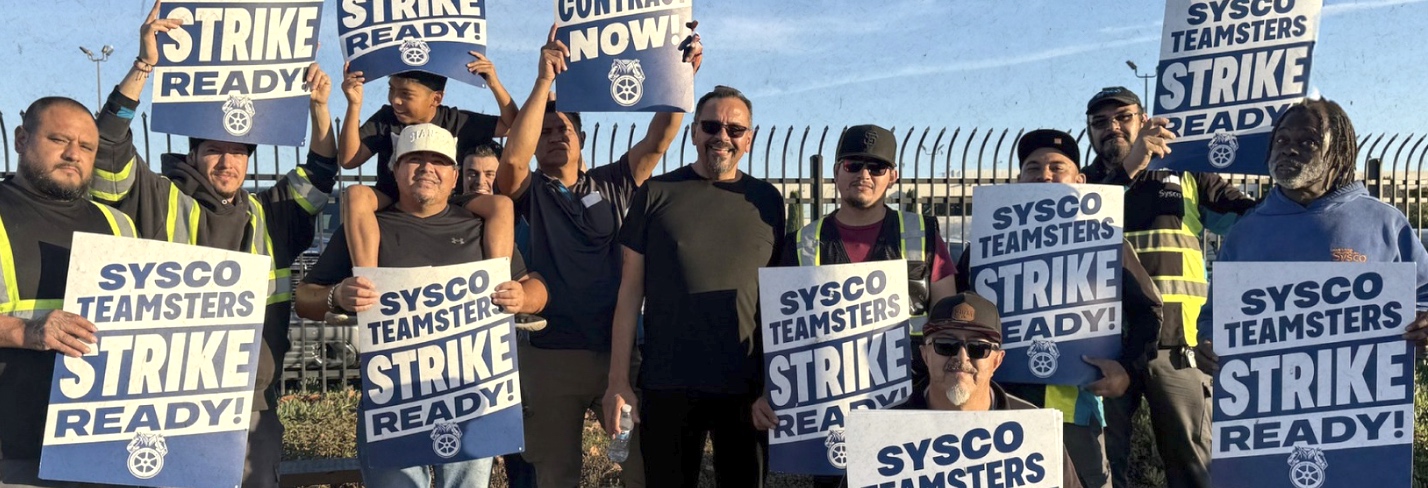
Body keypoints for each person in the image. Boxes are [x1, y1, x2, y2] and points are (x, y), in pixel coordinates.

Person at [86, 7, 340, 487]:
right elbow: (107, 152)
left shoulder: (270, 214)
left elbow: (322, 174)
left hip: (252, 405)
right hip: (167, 402)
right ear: (193, 154)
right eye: (215, 150)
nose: (227, 162)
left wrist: (319, 108)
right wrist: (144, 67)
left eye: (238, 151)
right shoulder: (159, 200)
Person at [492, 29, 700, 488]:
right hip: (552, 355)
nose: (555, 137)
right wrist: (544, 80)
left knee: (641, 470)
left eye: (564, 128)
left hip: (618, 354)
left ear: (582, 137)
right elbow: (512, 164)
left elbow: (659, 139)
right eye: (545, 131)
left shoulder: (614, 182)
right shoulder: (531, 193)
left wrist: (680, 74)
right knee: (555, 475)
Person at [294, 124, 549, 488]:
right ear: (396, 169)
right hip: (392, 402)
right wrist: (336, 295)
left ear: (454, 177)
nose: (427, 168)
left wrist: (523, 298)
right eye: (414, 159)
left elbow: (536, 289)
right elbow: (304, 298)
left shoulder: (480, 227)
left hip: (470, 396)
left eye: (438, 161)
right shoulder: (368, 227)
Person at [748, 123, 958, 488]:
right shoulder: (801, 242)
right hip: (830, 410)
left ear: (892, 176)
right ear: (836, 172)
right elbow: (779, 331)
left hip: (909, 401)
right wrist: (767, 390)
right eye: (853, 165)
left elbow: (948, 321)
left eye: (876, 167)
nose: (864, 174)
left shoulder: (922, 234)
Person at [953, 129, 1163, 488]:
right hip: (996, 406)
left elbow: (1148, 311)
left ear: (1079, 181)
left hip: (1075, 412)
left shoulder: (1106, 239)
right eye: (1033, 168)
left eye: (1056, 167)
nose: (1044, 175)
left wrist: (1128, 370)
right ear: (1020, 181)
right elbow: (958, 310)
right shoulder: (986, 245)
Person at [603, 85, 784, 487]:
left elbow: (778, 301)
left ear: (749, 139)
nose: (723, 137)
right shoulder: (655, 193)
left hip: (746, 388)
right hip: (668, 383)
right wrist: (618, 382)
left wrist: (773, 385)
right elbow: (629, 295)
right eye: (711, 126)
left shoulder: (767, 201)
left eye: (735, 129)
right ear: (694, 132)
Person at [1080, 86, 1258, 488]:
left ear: (1145, 121)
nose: (1112, 127)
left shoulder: (1187, 172)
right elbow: (1076, 228)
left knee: (1193, 466)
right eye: (1099, 122)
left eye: (1123, 117)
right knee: (1101, 466)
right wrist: (1130, 168)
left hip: (1178, 343)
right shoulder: (1083, 184)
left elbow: (1252, 222)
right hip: (1103, 343)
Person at [1195, 98, 1428, 366]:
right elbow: (1217, 316)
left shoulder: (1384, 222)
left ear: (1339, 151)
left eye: (1308, 142)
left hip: (1361, 387)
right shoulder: (1245, 232)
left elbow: (1424, 295)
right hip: (1271, 388)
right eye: (1281, 140)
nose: (1289, 150)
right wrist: (1209, 342)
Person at [0, 97, 139, 488]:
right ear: (21, 139)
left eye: (87, 147)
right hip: (13, 450)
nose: (73, 154)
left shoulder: (119, 226)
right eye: (59, 139)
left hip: (102, 445)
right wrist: (26, 331)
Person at [338, 52, 517, 270]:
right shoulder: (386, 119)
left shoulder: (456, 120)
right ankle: (368, 275)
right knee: (355, 194)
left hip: (449, 199)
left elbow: (512, 126)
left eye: (406, 94)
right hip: (392, 196)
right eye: (391, 89)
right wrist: (354, 105)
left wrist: (494, 83)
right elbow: (348, 159)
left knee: (502, 205)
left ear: (436, 99)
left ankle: (498, 276)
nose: (395, 100)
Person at [908, 293, 1083, 488]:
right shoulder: (887, 425)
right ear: (925, 355)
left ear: (997, 361)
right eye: (945, 345)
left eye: (978, 348)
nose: (961, 357)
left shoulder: (1036, 428)